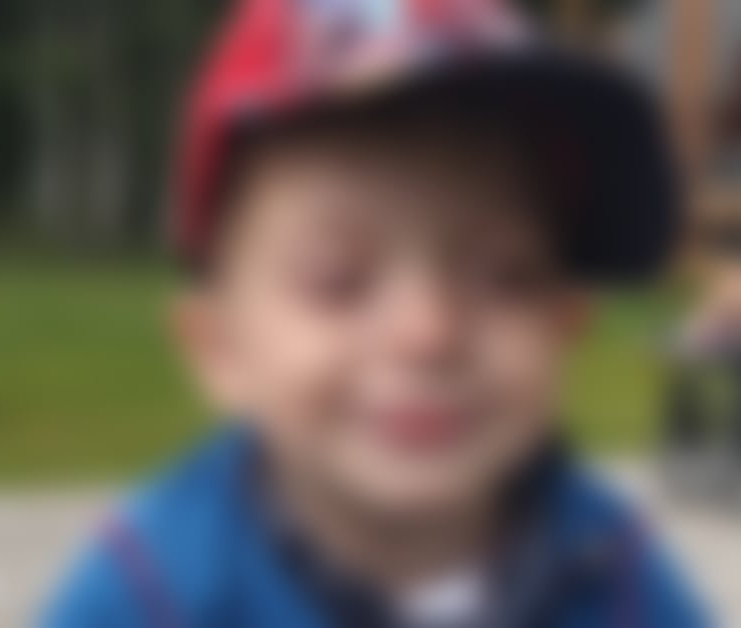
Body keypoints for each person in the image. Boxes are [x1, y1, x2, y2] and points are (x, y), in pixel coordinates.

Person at [44, 1, 706, 626]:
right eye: (339, 282)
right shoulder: (149, 595)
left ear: (563, 326)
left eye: (503, 278)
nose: (429, 334)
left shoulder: (617, 577)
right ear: (219, 349)